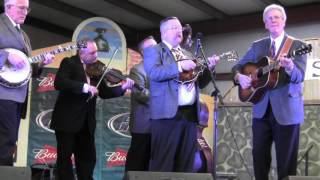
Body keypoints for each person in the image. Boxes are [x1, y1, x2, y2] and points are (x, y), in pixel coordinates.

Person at [232, 4, 307, 180]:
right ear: (265, 24)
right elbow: (238, 66)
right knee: (259, 157)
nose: (273, 20)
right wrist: (238, 77)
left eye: (277, 17)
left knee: (286, 164)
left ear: (284, 21)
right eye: (269, 18)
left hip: (287, 110)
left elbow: (299, 76)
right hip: (261, 109)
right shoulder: (257, 46)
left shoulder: (298, 45)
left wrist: (289, 67)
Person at [50, 40, 134, 180]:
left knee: (87, 158)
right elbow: (60, 82)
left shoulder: (96, 69)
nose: (96, 56)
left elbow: (105, 93)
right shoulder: (69, 63)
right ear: (81, 52)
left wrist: (122, 88)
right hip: (67, 121)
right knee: (64, 159)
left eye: (97, 52)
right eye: (92, 53)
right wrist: (85, 87)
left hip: (86, 122)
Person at [143, 16, 219, 172]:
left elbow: (200, 83)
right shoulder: (154, 51)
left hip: (190, 115)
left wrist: (209, 68)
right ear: (163, 33)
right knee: (163, 162)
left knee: (186, 163)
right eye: (174, 28)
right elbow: (153, 73)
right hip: (166, 115)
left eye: (180, 28)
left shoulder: (188, 54)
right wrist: (178, 66)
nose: (179, 31)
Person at [0, 0, 54, 166]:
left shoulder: (24, 36)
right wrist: (5, 56)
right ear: (8, 7)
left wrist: (41, 64)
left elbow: (27, 67)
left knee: (10, 139)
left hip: (18, 96)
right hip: (3, 94)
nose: (26, 12)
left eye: (27, 9)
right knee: (6, 138)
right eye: (22, 8)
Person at [125, 36, 157, 172]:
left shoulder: (161, 68)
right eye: (153, 47)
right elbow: (140, 93)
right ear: (143, 52)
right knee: (137, 162)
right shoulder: (137, 69)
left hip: (159, 125)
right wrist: (162, 99)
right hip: (143, 125)